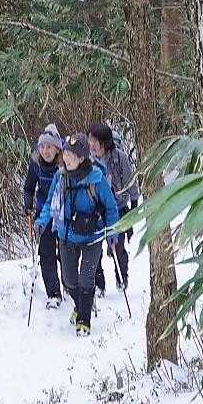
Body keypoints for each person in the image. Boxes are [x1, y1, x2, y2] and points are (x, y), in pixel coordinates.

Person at [35, 133, 119, 336]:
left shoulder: (97, 179)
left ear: (81, 158)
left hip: (92, 236)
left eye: (71, 155)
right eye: (65, 153)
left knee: (86, 279)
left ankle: (84, 320)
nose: (66, 157)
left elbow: (110, 207)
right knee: (69, 280)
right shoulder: (60, 176)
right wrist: (41, 221)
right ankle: (81, 305)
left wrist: (112, 232)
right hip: (66, 234)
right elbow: (51, 203)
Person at [89, 122, 139, 292]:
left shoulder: (120, 158)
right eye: (90, 140)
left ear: (105, 143)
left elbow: (130, 181)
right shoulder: (88, 161)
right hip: (96, 210)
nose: (92, 145)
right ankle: (99, 284)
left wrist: (134, 206)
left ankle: (121, 277)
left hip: (118, 208)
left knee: (118, 246)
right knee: (95, 249)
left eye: (95, 141)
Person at [22, 126, 65, 309]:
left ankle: (69, 285)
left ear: (57, 149)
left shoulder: (65, 163)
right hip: (43, 214)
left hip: (63, 214)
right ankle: (53, 294)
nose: (45, 151)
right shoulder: (35, 163)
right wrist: (28, 206)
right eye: (42, 147)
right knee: (46, 253)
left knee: (65, 253)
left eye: (49, 147)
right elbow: (28, 187)